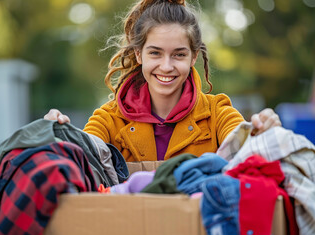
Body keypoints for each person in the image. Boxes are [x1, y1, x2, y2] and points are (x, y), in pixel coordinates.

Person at [44, 0, 281, 162]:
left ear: (193, 57)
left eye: (178, 54)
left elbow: (240, 143)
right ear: (139, 54)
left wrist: (261, 132)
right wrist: (59, 135)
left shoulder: (218, 113)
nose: (166, 67)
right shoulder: (109, 119)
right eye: (155, 53)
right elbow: (84, 152)